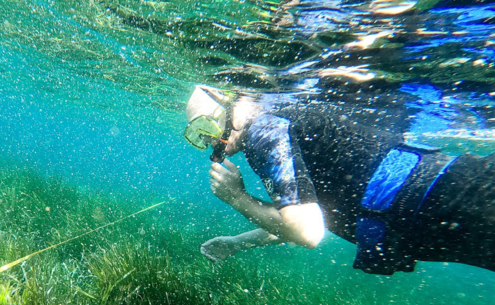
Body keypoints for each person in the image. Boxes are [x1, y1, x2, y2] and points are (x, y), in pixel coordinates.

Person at [184, 85, 495, 275]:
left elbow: (306, 232)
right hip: (443, 200)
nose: (211, 142)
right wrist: (236, 244)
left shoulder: (262, 132)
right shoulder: (274, 128)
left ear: (229, 108)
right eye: (199, 136)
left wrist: (237, 198)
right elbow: (310, 213)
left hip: (447, 200)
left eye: (207, 126)